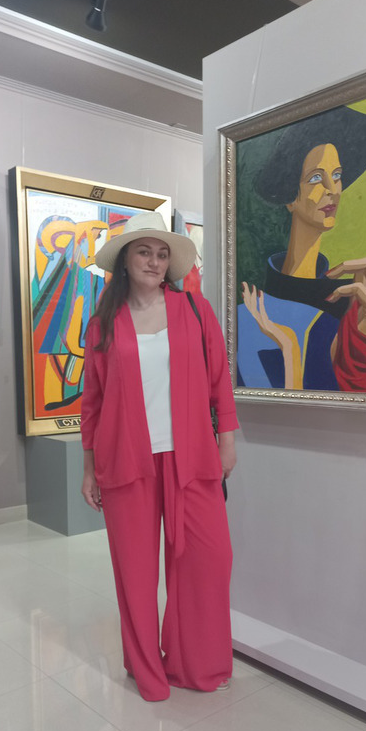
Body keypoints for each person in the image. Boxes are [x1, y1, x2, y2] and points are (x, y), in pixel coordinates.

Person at [81, 211, 238, 702]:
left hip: (191, 456)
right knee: (135, 571)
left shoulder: (194, 308)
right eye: (144, 252)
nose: (154, 261)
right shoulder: (103, 324)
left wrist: (227, 439)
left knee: (210, 559)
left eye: (162, 253)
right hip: (126, 460)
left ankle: (198, 663)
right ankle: (146, 668)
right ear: (126, 260)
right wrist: (89, 468)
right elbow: (92, 402)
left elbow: (219, 379)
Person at [237, 105, 366, 393]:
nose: (333, 189)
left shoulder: (359, 301)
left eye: (337, 175)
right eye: (316, 178)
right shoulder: (251, 307)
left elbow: (359, 405)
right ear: (290, 198)